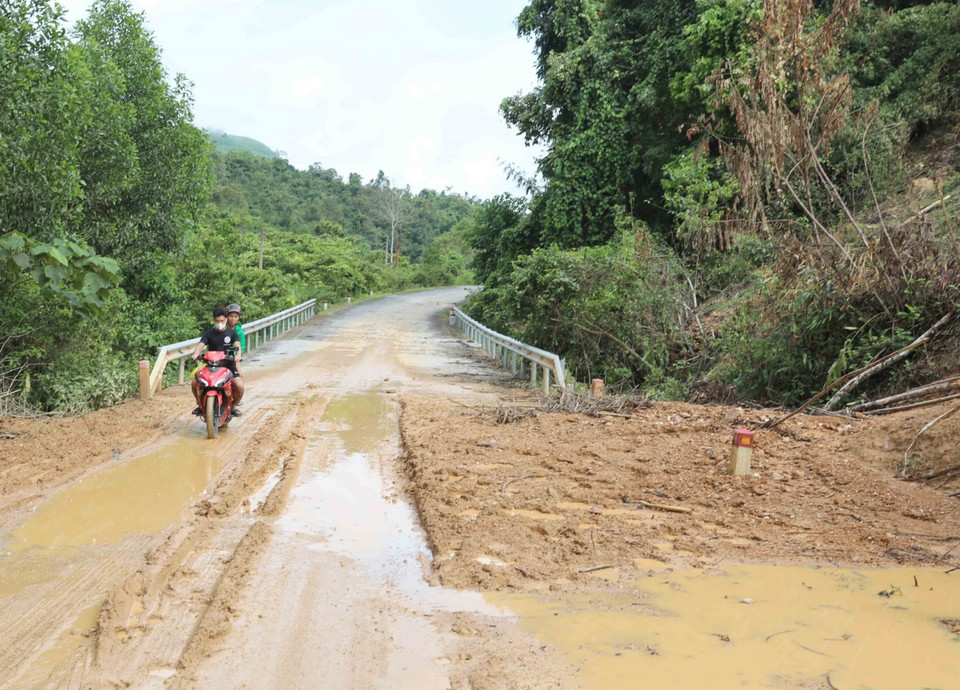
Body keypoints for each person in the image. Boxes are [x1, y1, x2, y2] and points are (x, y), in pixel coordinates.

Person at [189, 307, 244, 416]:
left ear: (226, 319)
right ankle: (200, 405)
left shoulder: (232, 333)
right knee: (195, 382)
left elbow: (237, 345)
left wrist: (238, 355)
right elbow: (201, 345)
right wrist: (196, 354)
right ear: (214, 320)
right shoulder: (209, 333)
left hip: (228, 365)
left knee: (239, 385)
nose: (220, 323)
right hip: (210, 365)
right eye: (217, 321)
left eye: (222, 321)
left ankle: (233, 406)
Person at [226, 303, 245, 377]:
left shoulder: (239, 332)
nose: (233, 319)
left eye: (235, 317)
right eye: (231, 316)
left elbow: (242, 347)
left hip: (232, 358)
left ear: (238, 318)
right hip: (217, 357)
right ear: (227, 317)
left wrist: (237, 355)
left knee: (239, 376)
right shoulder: (218, 328)